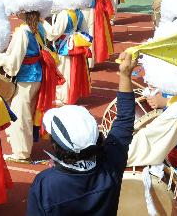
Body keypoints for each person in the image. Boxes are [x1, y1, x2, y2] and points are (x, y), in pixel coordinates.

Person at [27, 52, 135, 215]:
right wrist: (125, 75)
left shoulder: (45, 183)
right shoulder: (111, 162)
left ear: (56, 146)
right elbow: (125, 120)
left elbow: (125, 121)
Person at [0, 0, 59, 164]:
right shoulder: (37, 27)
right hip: (37, 76)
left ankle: (21, 152)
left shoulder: (22, 31)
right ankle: (25, 147)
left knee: (20, 115)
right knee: (28, 113)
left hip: (25, 78)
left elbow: (13, 63)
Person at [46, 0, 94, 105]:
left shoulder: (64, 14)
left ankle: (63, 97)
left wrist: (42, 22)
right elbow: (85, 31)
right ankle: (73, 94)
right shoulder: (78, 12)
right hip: (75, 44)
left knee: (64, 71)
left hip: (65, 46)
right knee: (74, 71)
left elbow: (53, 34)